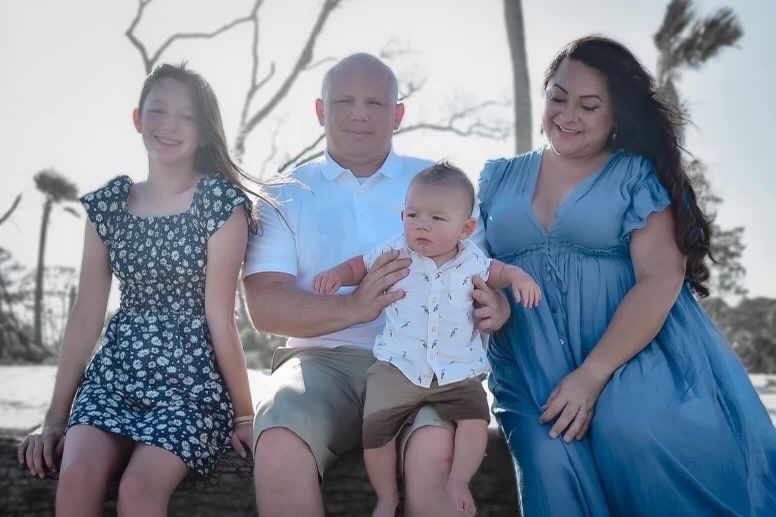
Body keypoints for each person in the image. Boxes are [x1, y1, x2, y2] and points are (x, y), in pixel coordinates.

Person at [479, 35, 776, 516]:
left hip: (631, 355)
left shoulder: (636, 174)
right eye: (558, 96)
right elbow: (468, 260)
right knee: (550, 469)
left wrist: (593, 374)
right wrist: (487, 296)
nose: (566, 114)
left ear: (617, 112)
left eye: (588, 105)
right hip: (530, 367)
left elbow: (659, 278)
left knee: (634, 430)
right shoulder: (496, 177)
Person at [243, 53, 511, 517]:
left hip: (427, 363)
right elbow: (264, 305)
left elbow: (482, 274)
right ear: (320, 111)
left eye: (375, 102)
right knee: (280, 444)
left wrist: (497, 308)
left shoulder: (440, 183)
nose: (359, 113)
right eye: (343, 100)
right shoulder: (284, 191)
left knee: (435, 453)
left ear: (398, 114)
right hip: (320, 363)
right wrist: (354, 308)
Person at [17, 63, 263, 515]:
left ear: (204, 132)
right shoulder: (108, 205)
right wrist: (54, 419)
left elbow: (219, 317)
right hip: (114, 378)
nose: (169, 125)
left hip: (191, 387)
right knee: (74, 476)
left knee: (138, 490)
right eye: (158, 111)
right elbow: (87, 314)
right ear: (138, 119)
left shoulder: (220, 205)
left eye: (186, 116)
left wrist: (245, 416)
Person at [312, 162, 540, 517]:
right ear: (402, 214)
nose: (422, 225)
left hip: (455, 370)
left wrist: (520, 277)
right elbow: (360, 265)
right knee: (375, 430)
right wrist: (337, 275)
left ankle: (458, 479)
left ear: (465, 228)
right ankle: (386, 496)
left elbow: (500, 272)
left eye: (437, 218)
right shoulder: (397, 252)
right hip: (398, 366)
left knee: (475, 418)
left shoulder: (472, 261)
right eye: (414, 214)